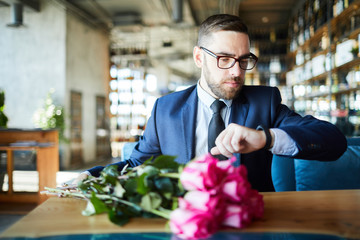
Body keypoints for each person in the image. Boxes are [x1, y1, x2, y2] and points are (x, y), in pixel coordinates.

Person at [75, 14, 347, 192]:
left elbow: (333, 141)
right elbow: (137, 165)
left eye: (243, 60)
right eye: (224, 58)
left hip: (250, 222)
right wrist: (94, 176)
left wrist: (267, 138)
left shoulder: (266, 102)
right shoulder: (165, 109)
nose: (237, 71)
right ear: (198, 57)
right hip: (187, 221)